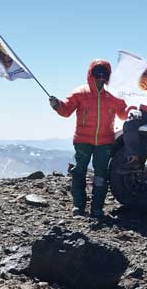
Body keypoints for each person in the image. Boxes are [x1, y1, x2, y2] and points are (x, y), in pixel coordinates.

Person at [49, 60, 128, 218]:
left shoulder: (113, 95)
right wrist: (57, 105)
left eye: (104, 73)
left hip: (104, 142)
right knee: (79, 172)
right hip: (82, 141)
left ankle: (97, 208)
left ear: (108, 76)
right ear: (91, 74)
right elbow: (66, 110)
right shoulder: (80, 93)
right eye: (97, 73)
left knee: (100, 176)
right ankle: (78, 206)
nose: (100, 77)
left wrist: (132, 110)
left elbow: (123, 113)